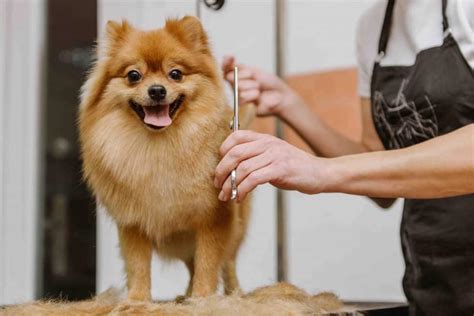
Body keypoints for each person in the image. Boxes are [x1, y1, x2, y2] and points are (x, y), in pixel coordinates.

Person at [213, 0, 474, 314]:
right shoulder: (373, 28)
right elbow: (378, 176)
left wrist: (321, 171)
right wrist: (289, 104)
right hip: (434, 284)